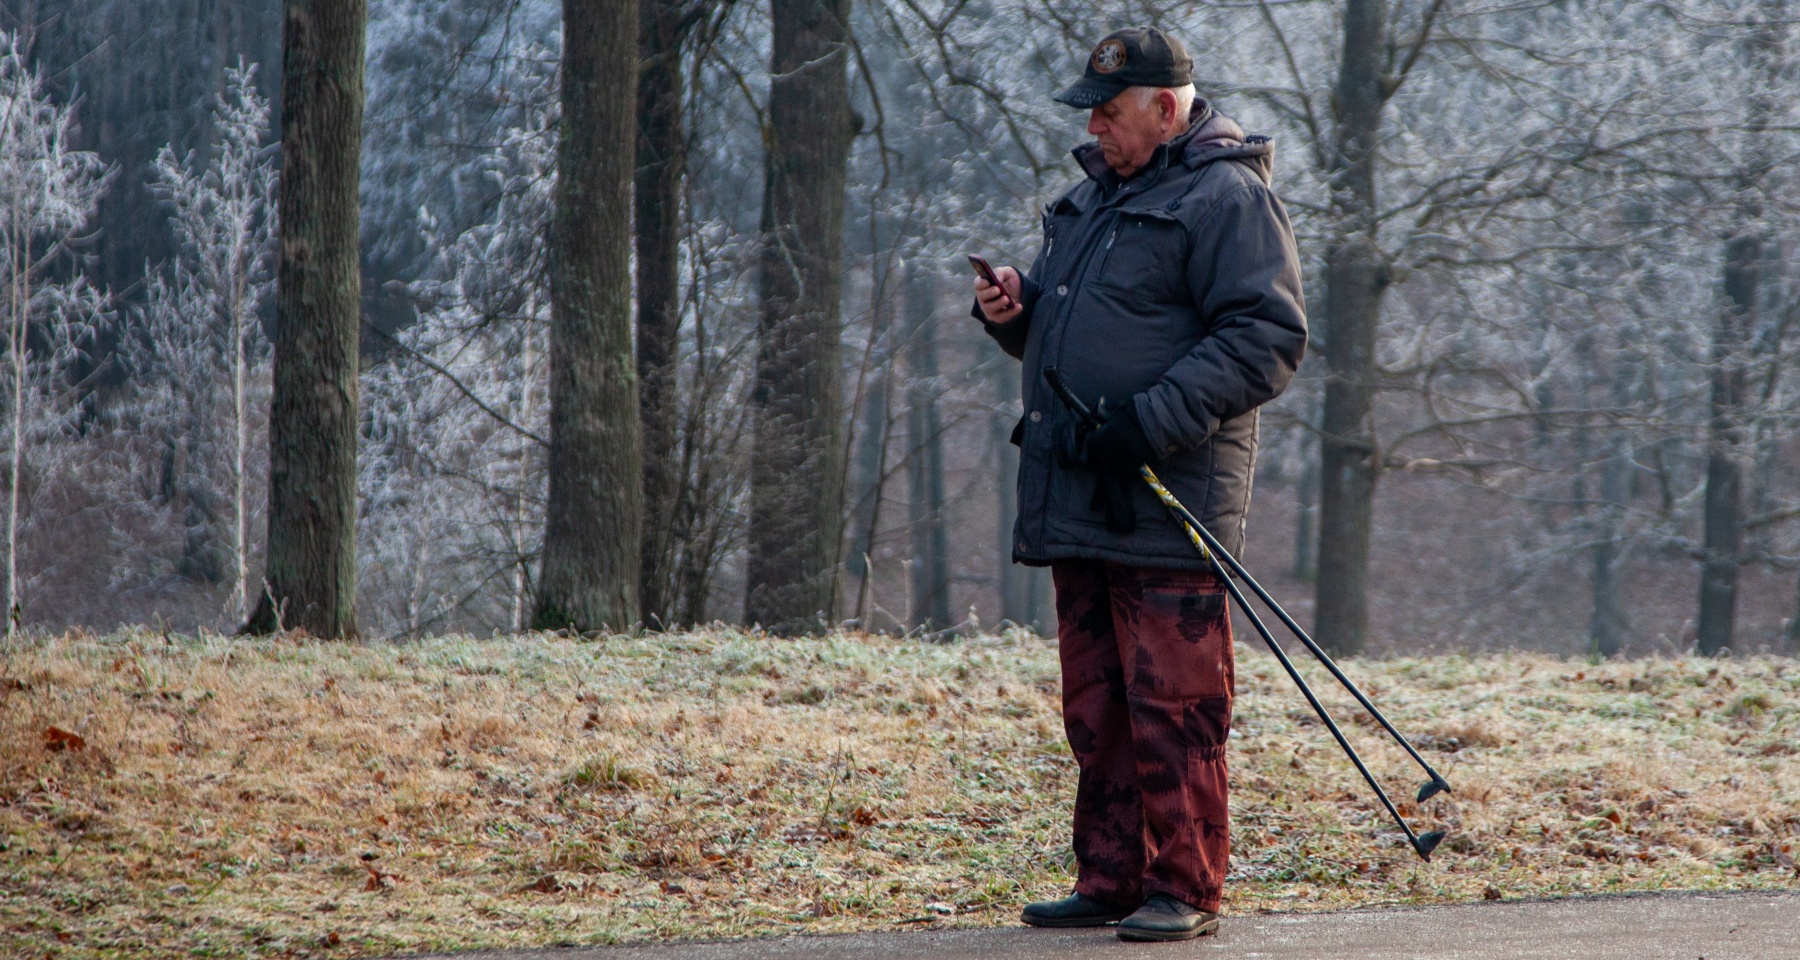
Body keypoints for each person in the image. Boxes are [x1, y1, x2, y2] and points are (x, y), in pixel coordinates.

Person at [973, 26, 1307, 943]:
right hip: (1081, 493)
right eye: (1091, 108)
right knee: (1099, 705)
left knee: (1177, 705)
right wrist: (1018, 314)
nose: (1093, 124)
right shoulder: (1090, 198)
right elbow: (1079, 330)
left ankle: (1185, 887)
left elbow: (1265, 340)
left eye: (1108, 110)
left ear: (1166, 109)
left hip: (1170, 501)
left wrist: (1151, 423)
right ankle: (1111, 879)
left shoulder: (1229, 198)